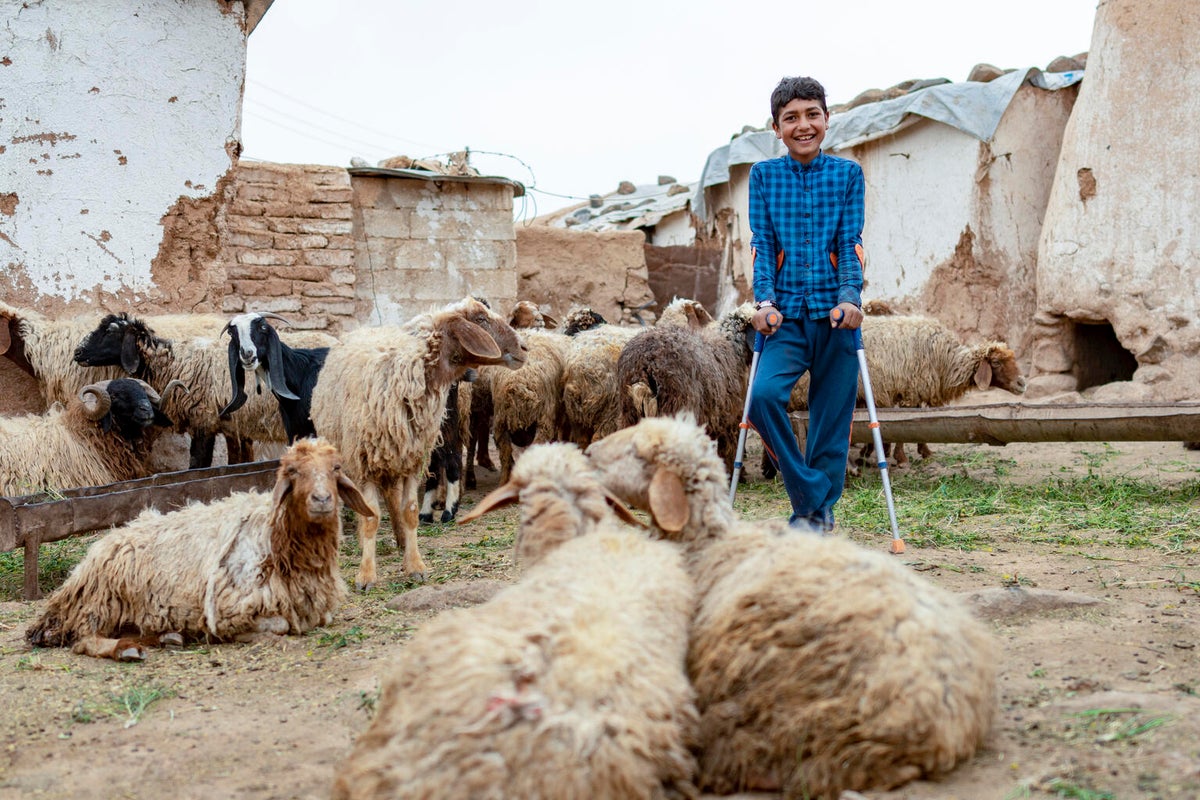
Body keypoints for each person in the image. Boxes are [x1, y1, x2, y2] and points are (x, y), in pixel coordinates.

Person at [746, 75, 865, 532]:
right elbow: (763, 244)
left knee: (830, 422)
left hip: (836, 319)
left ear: (826, 119)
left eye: (812, 114)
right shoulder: (763, 176)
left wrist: (850, 299)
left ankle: (813, 516)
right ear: (776, 128)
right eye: (790, 117)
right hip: (787, 320)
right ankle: (811, 492)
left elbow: (849, 244)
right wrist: (764, 301)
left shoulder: (848, 175)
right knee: (762, 398)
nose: (803, 125)